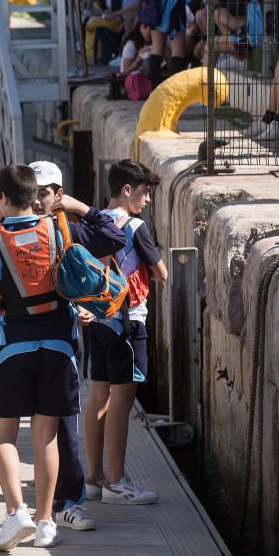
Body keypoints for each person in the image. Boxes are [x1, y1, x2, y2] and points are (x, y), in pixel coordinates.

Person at [0, 164, 125, 551]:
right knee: (47, 435)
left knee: (2, 432)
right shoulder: (60, 229)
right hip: (59, 345)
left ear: (3, 199)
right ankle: (45, 523)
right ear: (34, 194)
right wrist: (79, 207)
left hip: (12, 348)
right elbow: (112, 236)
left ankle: (14, 514)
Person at [84, 160, 166, 505]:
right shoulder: (134, 226)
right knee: (122, 402)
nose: (147, 201)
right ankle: (117, 481)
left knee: (98, 397)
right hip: (128, 322)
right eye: (145, 193)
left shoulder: (92, 224)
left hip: (98, 320)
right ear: (127, 190)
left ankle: (93, 478)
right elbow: (160, 272)